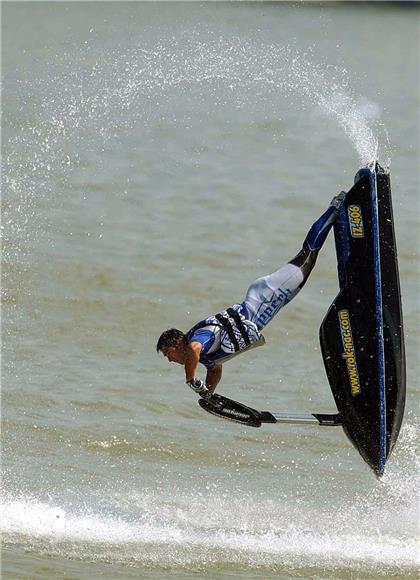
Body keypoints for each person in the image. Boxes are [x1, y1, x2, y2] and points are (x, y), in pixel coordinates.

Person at [156, 193, 346, 398]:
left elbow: (193, 349)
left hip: (266, 295)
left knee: (308, 254)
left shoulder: (198, 338)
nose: (169, 360)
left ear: (177, 342)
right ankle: (338, 218)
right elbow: (215, 369)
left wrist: (190, 380)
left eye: (168, 353)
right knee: (307, 261)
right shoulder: (205, 357)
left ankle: (335, 207)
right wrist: (208, 395)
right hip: (270, 301)